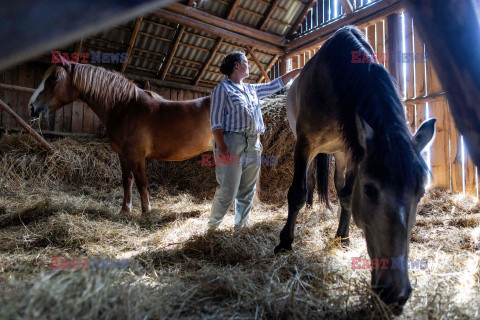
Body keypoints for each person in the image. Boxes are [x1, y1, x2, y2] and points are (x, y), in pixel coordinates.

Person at [208, 51, 302, 232]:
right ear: (237, 65)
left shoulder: (251, 89)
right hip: (231, 141)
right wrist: (222, 145)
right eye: (246, 62)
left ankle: (241, 228)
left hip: (253, 142)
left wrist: (297, 70)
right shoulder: (222, 89)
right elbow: (215, 120)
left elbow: (276, 84)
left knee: (247, 190)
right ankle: (212, 229)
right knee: (228, 189)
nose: (249, 66)